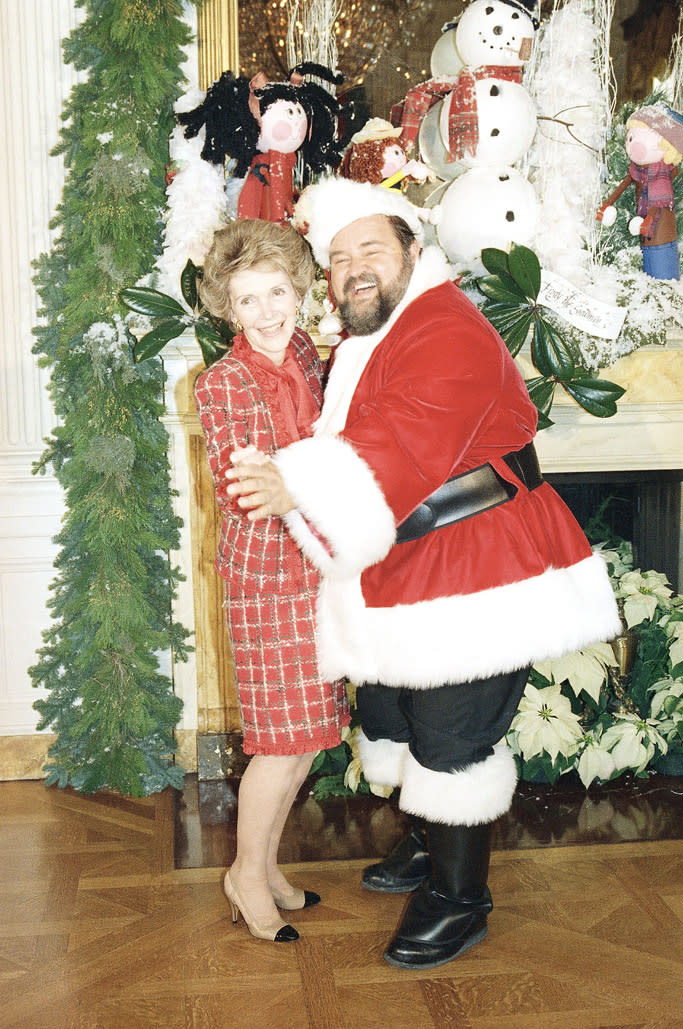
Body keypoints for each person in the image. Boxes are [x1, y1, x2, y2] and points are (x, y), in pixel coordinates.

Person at [225, 178, 621, 968]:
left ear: (414, 249)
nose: (352, 269)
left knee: (453, 739)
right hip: (406, 555)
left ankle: (458, 897)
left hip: (478, 560)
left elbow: (402, 435)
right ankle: (429, 842)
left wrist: (295, 483)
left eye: (371, 248)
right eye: (337, 260)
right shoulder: (375, 333)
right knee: (400, 711)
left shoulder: (445, 327)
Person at [194, 218, 349, 945]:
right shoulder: (221, 382)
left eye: (276, 291)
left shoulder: (310, 357)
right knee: (278, 741)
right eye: (247, 298)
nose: (265, 311)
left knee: (311, 735)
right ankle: (244, 875)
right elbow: (242, 489)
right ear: (226, 307)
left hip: (321, 569)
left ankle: (266, 861)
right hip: (266, 578)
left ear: (300, 291)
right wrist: (319, 476)